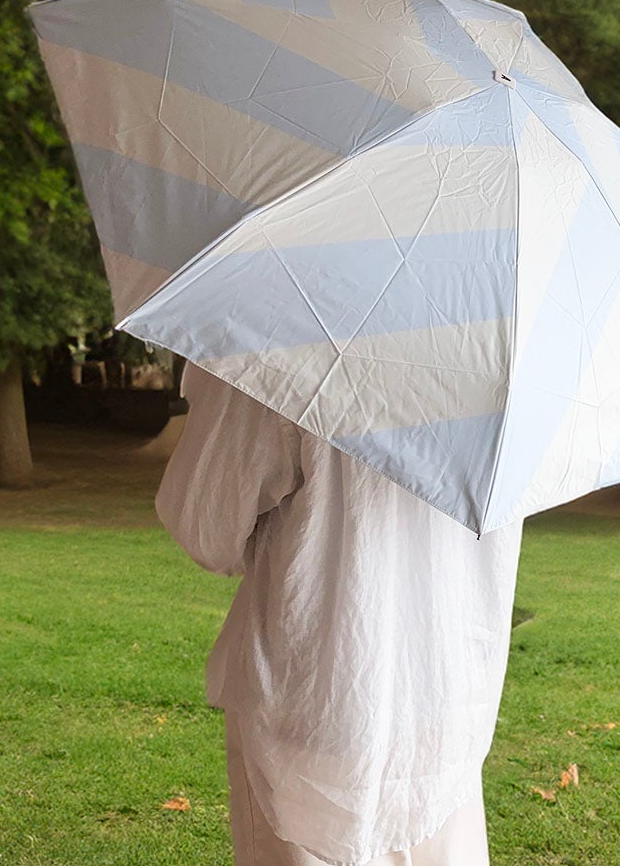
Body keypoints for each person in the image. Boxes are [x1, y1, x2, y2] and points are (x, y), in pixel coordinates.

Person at [155, 363, 523, 865]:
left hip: (318, 698)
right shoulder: (511, 358)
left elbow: (203, 522)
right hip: (446, 692)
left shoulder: (282, 347)